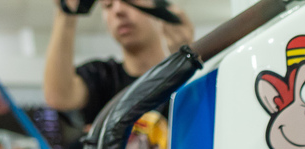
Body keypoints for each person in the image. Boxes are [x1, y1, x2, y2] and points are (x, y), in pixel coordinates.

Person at [44, 0, 195, 128]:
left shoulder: (181, 80)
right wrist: (66, 13)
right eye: (108, 5)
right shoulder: (103, 78)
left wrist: (188, 57)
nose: (118, 10)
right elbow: (59, 96)